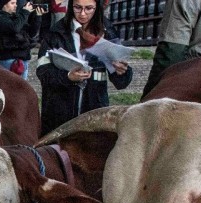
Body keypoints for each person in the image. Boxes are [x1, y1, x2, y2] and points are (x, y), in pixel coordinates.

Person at [36, 0, 132, 135]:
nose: (82, 14)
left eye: (89, 8)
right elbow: (43, 72)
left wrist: (121, 71)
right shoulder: (55, 33)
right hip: (59, 116)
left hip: (94, 115)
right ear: (70, 6)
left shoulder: (107, 32)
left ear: (97, 7)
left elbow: (122, 83)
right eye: (77, 8)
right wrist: (68, 77)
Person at [0, 0, 44, 80]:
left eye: (16, 3)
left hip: (23, 57)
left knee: (21, 89)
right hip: (9, 59)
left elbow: (31, 33)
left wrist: (38, 16)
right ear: (4, 5)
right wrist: (24, 12)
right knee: (9, 88)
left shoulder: (17, 18)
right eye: (12, 3)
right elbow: (15, 28)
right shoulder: (0, 19)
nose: (16, 5)